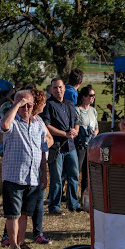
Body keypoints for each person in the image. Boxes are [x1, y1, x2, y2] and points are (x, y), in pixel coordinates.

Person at [0, 90, 48, 249]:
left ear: (33, 105)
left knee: (25, 213)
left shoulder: (37, 124)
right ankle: (13, 248)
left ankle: (21, 243)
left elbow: (43, 151)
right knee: (12, 214)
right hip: (14, 176)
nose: (25, 108)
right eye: (22, 104)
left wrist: (44, 174)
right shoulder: (12, 122)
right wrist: (16, 105)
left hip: (32, 177)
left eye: (28, 104)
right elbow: (4, 125)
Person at [41, 77, 81, 215]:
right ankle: (54, 206)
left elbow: (76, 121)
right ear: (51, 90)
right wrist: (64, 134)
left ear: (65, 88)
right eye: (55, 88)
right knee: (57, 178)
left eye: (60, 87)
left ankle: (74, 204)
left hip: (70, 146)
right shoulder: (48, 105)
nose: (58, 90)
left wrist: (75, 130)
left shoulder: (70, 104)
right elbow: (46, 126)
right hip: (56, 147)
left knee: (74, 175)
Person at [75, 85, 99, 197]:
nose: (93, 97)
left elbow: (97, 127)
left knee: (87, 173)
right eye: (91, 95)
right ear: (84, 97)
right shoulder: (77, 110)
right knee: (76, 172)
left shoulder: (93, 111)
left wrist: (94, 134)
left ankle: (84, 197)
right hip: (79, 146)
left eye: (94, 95)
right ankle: (72, 197)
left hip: (90, 146)